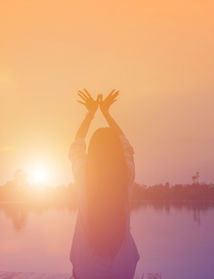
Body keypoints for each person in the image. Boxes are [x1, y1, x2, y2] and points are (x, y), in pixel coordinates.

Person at [69, 89, 140, 279]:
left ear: (92, 152)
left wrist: (90, 114)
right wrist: (107, 113)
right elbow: (126, 147)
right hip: (123, 270)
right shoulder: (126, 174)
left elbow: (76, 145)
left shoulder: (84, 173)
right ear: (116, 152)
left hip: (86, 270)